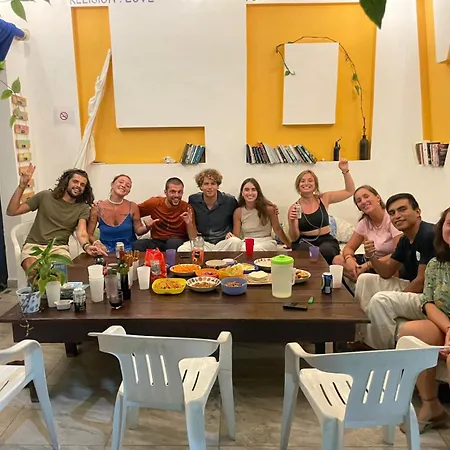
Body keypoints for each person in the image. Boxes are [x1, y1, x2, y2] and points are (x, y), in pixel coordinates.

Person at [354, 193, 435, 350]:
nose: (397, 216)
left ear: (418, 212)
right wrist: (371, 257)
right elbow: (386, 272)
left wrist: (397, 297)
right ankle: (361, 337)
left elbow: (421, 281)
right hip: (414, 287)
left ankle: (379, 351)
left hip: (429, 297)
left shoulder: (428, 235)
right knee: (365, 280)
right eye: (392, 213)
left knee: (381, 300)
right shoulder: (405, 239)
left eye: (402, 209)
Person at [398, 207, 450, 433]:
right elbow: (428, 302)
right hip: (445, 321)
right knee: (410, 334)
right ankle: (431, 406)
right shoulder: (436, 264)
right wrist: (448, 328)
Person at [6, 164, 106, 272]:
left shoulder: (83, 208)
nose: (78, 186)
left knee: (59, 273)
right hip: (34, 246)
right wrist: (22, 186)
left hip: (59, 248)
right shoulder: (45, 196)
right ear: (66, 182)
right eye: (75, 181)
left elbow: (81, 233)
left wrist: (87, 246)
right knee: (34, 270)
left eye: (82, 185)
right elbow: (12, 211)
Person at [287, 159, 355, 264]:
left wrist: (345, 171)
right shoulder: (294, 208)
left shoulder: (324, 198)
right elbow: (294, 238)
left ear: (315, 185)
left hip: (326, 240)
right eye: (302, 181)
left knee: (326, 251)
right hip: (304, 241)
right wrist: (292, 222)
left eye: (310, 180)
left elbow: (349, 191)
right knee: (304, 253)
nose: (306, 183)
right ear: (298, 186)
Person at [334, 185, 402, 281]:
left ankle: (360, 279)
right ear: (359, 208)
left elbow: (398, 253)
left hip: (387, 263)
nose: (363, 201)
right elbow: (349, 247)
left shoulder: (391, 218)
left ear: (378, 198)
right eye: (359, 201)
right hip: (370, 260)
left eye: (366, 196)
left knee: (393, 271)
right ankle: (358, 278)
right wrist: (349, 259)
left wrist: (367, 265)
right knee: (337, 260)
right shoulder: (364, 223)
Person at [177, 169, 242, 252]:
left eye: (213, 184)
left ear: (218, 186)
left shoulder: (229, 201)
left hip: (223, 242)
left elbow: (237, 220)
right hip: (203, 243)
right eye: (206, 184)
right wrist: (189, 224)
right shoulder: (193, 200)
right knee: (183, 249)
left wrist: (232, 234)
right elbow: (192, 236)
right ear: (201, 187)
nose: (210, 187)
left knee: (236, 241)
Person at [87, 175, 151, 253]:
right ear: (112, 184)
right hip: (105, 251)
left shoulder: (133, 206)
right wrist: (96, 243)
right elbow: (89, 234)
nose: (123, 185)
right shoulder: (97, 207)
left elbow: (138, 230)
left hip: (130, 252)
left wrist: (147, 227)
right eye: (121, 182)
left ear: (129, 191)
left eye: (128, 186)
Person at [132, 177, 197, 251]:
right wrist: (146, 226)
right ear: (165, 192)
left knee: (173, 243)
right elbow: (133, 211)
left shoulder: (187, 208)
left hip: (177, 241)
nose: (177, 195)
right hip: (157, 240)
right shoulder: (154, 203)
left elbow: (193, 238)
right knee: (138, 244)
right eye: (173, 192)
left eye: (180, 192)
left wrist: (189, 224)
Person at [230, 178, 290, 251]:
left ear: (258, 192)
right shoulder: (238, 212)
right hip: (247, 242)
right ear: (242, 193)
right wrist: (231, 238)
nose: (250, 193)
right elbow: (236, 237)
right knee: (241, 248)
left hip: (266, 242)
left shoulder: (269, 209)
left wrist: (289, 244)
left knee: (253, 249)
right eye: (246, 190)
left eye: (253, 190)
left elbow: (277, 229)